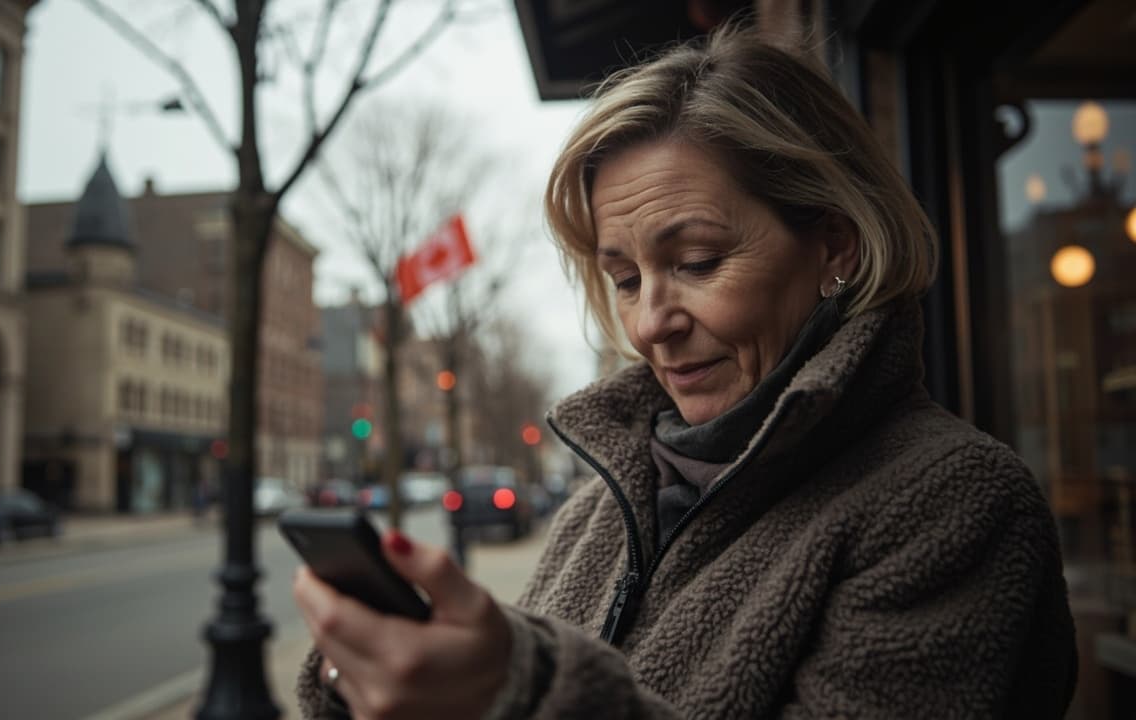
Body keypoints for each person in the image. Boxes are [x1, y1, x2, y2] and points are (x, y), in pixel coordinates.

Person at [292, 24, 1077, 719]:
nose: (647, 323)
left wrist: (520, 692)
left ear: (834, 246)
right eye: (626, 279)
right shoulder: (597, 510)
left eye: (697, 261)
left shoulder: (953, 503)